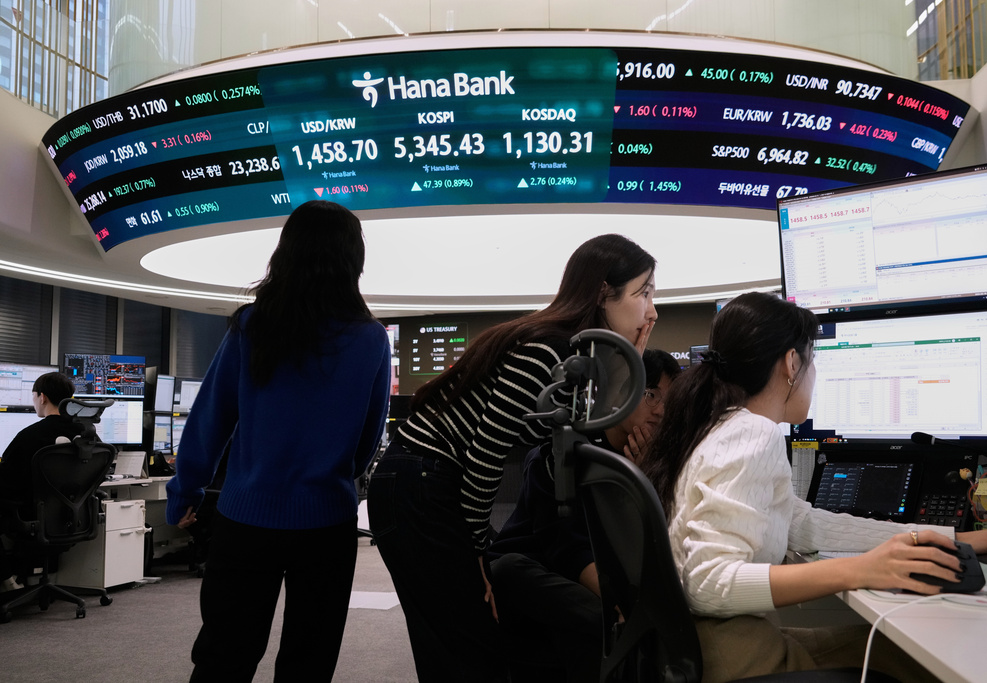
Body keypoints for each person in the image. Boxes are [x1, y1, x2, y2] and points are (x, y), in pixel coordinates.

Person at [639, 292, 987, 683]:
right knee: (927, 663)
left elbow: (804, 524)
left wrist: (944, 538)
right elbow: (709, 583)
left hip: (713, 651)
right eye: (814, 359)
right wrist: (859, 571)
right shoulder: (752, 432)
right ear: (792, 363)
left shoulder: (717, 426)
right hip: (737, 660)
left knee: (895, 651)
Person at [367, 233, 658, 682]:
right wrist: (478, 556)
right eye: (644, 293)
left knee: (464, 645)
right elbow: (487, 452)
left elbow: (578, 444)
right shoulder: (550, 350)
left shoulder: (577, 356)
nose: (652, 311)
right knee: (463, 647)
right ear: (604, 293)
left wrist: (628, 359)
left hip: (428, 482)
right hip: (419, 480)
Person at [165, 200, 392, 683]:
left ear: (285, 253)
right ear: (354, 259)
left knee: (224, 656)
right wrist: (332, 471)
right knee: (310, 661)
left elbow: (211, 417)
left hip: (245, 518)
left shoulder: (252, 325)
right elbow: (368, 440)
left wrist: (185, 489)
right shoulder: (371, 338)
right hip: (327, 522)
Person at [488, 348, 681, 683]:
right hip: (537, 574)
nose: (661, 410)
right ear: (619, 394)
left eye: (670, 401)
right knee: (510, 569)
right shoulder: (563, 452)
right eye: (651, 395)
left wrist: (645, 479)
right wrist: (621, 603)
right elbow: (568, 551)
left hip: (590, 589)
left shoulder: (657, 462)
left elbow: (652, 545)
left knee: (590, 633)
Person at [0, 372, 83, 592]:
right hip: (71, 517)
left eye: (33, 396)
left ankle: (7, 581)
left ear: (42, 397)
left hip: (31, 516)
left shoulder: (30, 436)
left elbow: (5, 479)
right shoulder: (85, 434)